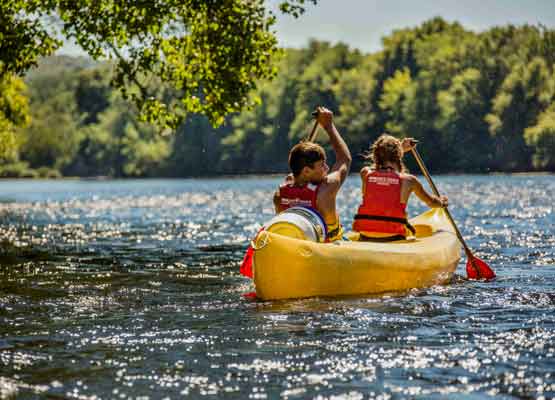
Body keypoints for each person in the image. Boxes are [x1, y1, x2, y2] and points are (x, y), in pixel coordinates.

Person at [273, 106, 352, 242]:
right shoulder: (326, 189)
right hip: (327, 247)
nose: (327, 168)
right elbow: (344, 159)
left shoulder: (280, 194)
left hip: (295, 244)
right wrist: (328, 126)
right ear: (306, 171)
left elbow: (295, 180)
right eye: (322, 165)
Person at [352, 133, 448, 241]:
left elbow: (379, 169)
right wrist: (441, 202)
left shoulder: (365, 173)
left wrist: (399, 149)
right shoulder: (409, 180)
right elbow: (431, 202)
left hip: (366, 235)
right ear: (398, 155)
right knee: (412, 232)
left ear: (376, 156)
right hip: (393, 237)